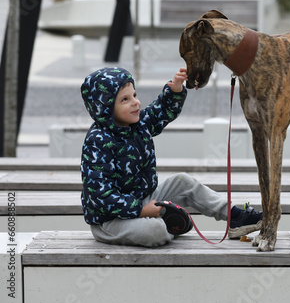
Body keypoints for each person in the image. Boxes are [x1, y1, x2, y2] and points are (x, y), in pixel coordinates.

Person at [80, 67, 262, 247]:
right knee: (155, 231)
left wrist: (174, 91)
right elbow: (100, 195)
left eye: (134, 95)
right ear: (105, 108)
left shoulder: (138, 123)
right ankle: (167, 223)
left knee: (183, 181)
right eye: (125, 100)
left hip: (144, 198)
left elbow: (159, 113)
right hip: (111, 220)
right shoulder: (98, 141)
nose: (136, 102)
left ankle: (235, 216)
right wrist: (141, 211)